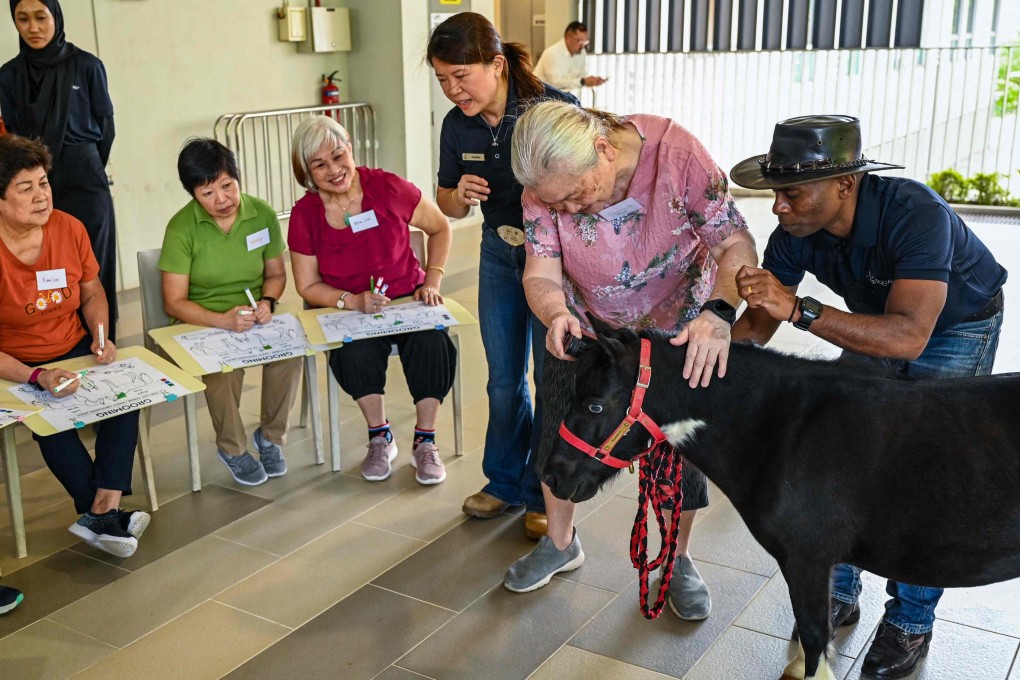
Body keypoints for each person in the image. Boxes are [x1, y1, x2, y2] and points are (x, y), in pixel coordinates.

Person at [730, 114, 1007, 680]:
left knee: (930, 476)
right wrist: (708, 369)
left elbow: (909, 338)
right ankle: (840, 592)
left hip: (952, 328)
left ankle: (910, 621)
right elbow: (758, 323)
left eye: (790, 193)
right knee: (841, 458)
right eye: (774, 194)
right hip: (870, 322)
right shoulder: (795, 234)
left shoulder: (916, 215)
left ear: (845, 184)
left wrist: (802, 312)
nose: (777, 207)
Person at [503, 100, 757, 619]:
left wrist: (719, 313)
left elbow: (735, 243)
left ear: (603, 149)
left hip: (680, 324)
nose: (569, 210)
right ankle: (559, 542)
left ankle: (676, 558)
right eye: (559, 203)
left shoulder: (676, 155)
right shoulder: (544, 187)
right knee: (558, 429)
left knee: (679, 445)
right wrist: (555, 314)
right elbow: (541, 273)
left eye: (576, 195)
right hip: (585, 325)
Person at [427, 12, 579, 537]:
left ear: (496, 64)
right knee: (502, 380)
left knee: (550, 376)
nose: (452, 90)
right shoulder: (456, 126)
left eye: (460, 76)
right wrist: (458, 195)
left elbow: (585, 195)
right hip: (498, 254)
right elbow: (446, 204)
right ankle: (504, 482)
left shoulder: (553, 109)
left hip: (554, 263)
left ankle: (545, 491)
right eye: (442, 79)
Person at [0, 134, 147, 558]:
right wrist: (36, 375)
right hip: (18, 361)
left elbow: (91, 292)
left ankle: (102, 509)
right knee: (52, 420)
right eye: (25, 188)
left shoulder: (70, 227)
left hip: (73, 345)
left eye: (43, 183)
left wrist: (100, 335)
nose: (41, 196)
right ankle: (104, 512)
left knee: (127, 395)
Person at [288, 115, 456, 485]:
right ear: (306, 172)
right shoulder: (304, 214)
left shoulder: (387, 187)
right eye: (320, 164)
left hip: (407, 299)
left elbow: (440, 227)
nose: (334, 170)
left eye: (338, 155)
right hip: (350, 308)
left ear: (350, 147)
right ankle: (379, 435)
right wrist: (350, 300)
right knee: (354, 352)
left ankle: (425, 441)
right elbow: (307, 285)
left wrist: (432, 279)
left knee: (434, 344)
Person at [160, 138, 302, 487]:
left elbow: (276, 274)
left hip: (252, 316)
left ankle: (269, 437)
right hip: (202, 320)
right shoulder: (181, 228)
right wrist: (223, 320)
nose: (222, 200)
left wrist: (267, 302)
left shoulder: (262, 214)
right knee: (221, 371)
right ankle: (233, 448)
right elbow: (173, 302)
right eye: (208, 193)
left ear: (238, 178)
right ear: (192, 194)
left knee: (290, 353)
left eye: (227, 186)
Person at [1, 0, 119, 340]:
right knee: (42, 263)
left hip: (84, 177)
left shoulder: (87, 65)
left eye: (41, 17)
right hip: (31, 182)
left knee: (92, 265)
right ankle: (50, 343)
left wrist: (86, 163)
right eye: (22, 19)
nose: (33, 28)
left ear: (56, 16)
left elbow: (105, 128)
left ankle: (100, 341)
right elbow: (11, 134)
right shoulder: (8, 75)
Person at [533, 21, 607, 97]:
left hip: (562, 97)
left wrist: (590, 81)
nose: (582, 46)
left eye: (585, 42)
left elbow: (582, 76)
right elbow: (555, 83)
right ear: (568, 37)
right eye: (579, 41)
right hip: (541, 96)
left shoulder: (582, 53)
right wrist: (582, 81)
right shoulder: (552, 53)